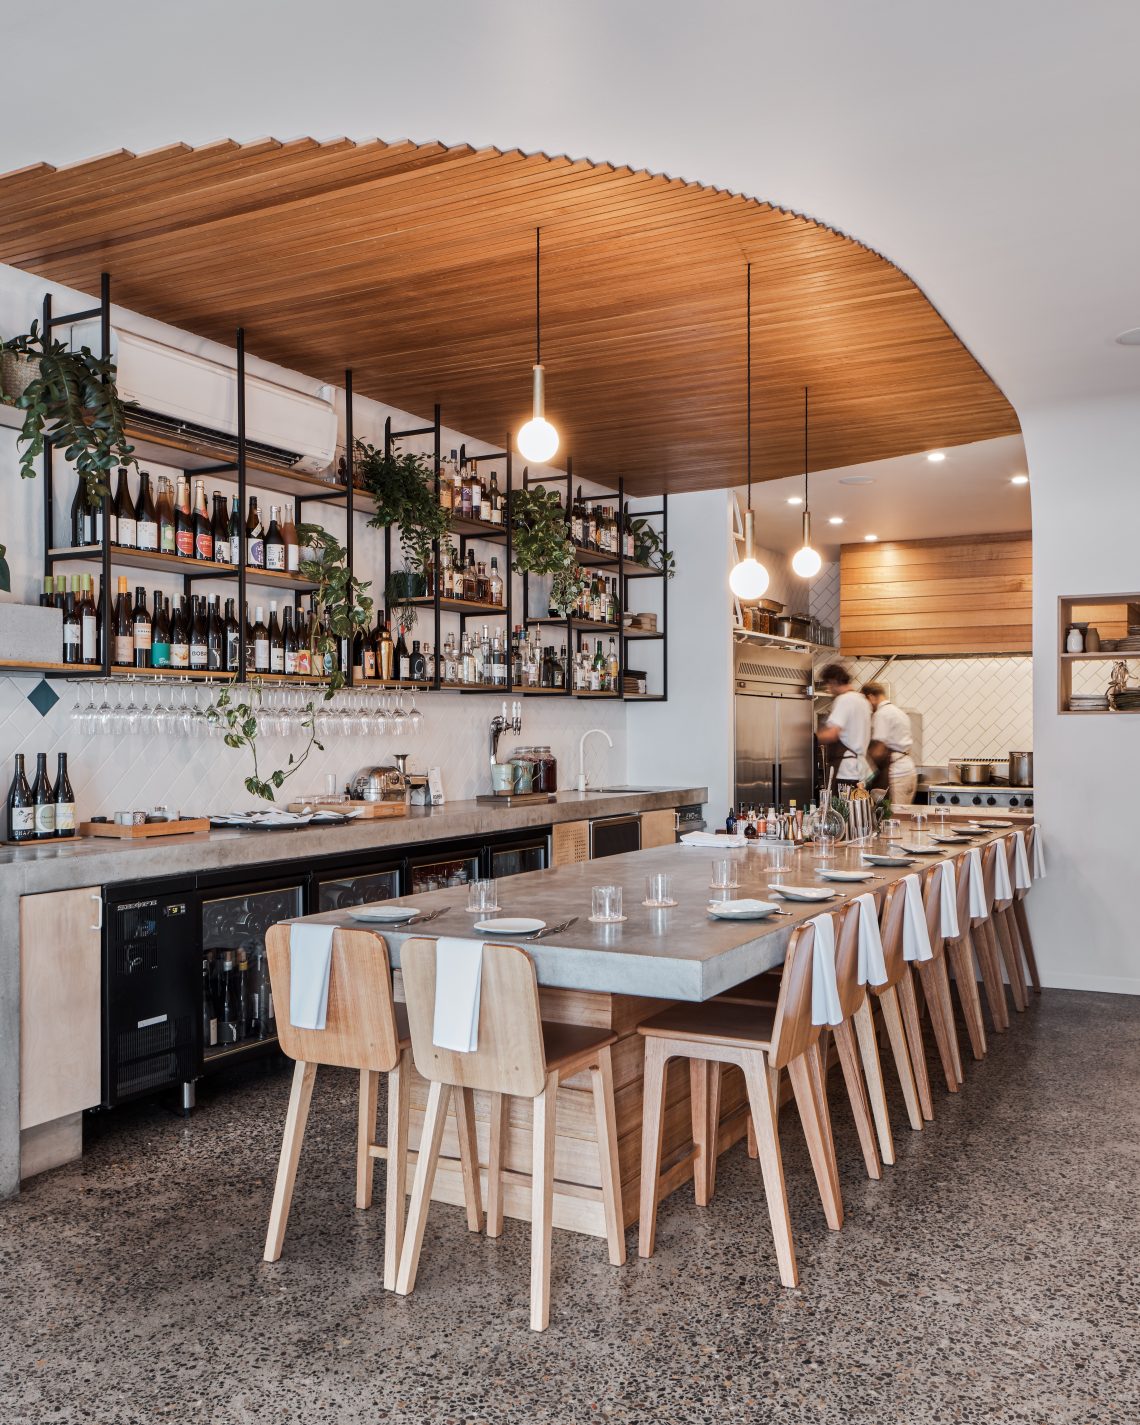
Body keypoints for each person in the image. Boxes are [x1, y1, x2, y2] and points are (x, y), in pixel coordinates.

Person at [816, 663, 871, 787]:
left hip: (845, 771)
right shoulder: (862, 700)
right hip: (860, 771)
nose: (828, 689)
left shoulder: (844, 700)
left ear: (833, 681)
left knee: (840, 801)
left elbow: (832, 734)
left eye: (828, 685)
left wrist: (809, 739)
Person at [863, 681, 918, 806]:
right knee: (904, 813)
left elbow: (879, 750)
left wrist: (864, 771)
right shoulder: (899, 712)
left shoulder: (881, 714)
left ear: (870, 697)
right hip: (909, 770)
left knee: (895, 814)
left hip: (897, 774)